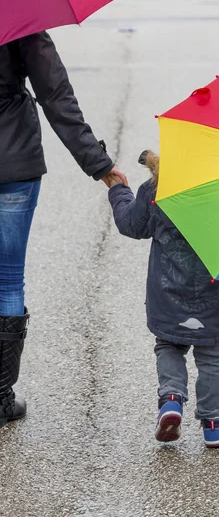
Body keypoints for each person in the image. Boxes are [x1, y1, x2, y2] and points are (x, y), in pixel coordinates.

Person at [0, 31, 127, 429]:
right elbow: (56, 95)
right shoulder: (18, 9)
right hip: (12, 162)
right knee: (7, 281)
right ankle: (0, 397)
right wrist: (101, 165)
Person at [106, 150, 219, 448]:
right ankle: (215, 424)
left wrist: (118, 190)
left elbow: (131, 225)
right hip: (216, 295)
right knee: (212, 354)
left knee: (169, 344)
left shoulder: (158, 189)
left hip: (167, 292)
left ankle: (170, 400)